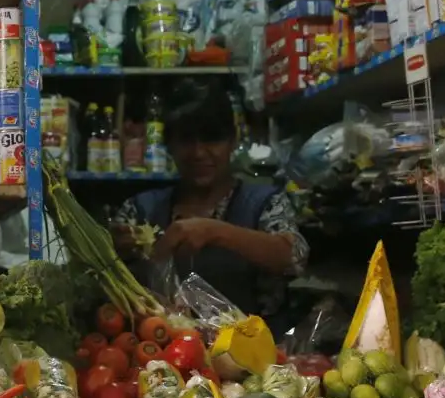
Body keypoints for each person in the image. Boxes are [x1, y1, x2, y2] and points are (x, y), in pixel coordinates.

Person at [111, 87, 307, 319]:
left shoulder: (264, 202)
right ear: (169, 146)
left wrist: (215, 232)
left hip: (249, 349)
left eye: (211, 138)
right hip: (163, 349)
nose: (198, 153)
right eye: (185, 140)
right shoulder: (141, 210)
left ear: (233, 141)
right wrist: (115, 250)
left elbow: (292, 257)